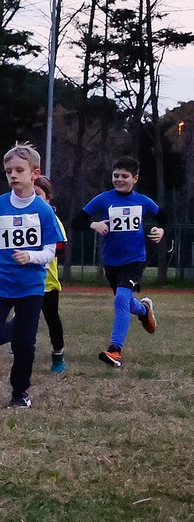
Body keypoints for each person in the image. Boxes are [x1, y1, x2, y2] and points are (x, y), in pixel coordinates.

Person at [0, 144, 62, 408]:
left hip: (31, 287)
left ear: (34, 173)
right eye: (9, 171)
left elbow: (51, 251)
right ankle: (20, 326)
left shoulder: (44, 211)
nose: (13, 175)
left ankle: (19, 393)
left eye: (19, 170)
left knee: (24, 346)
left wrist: (30, 257)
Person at [80, 155, 166, 368]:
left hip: (135, 260)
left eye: (124, 176)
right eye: (116, 175)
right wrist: (95, 225)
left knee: (120, 300)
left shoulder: (143, 201)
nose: (119, 179)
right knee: (125, 302)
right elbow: (77, 221)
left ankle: (115, 350)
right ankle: (144, 311)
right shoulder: (103, 199)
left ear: (135, 178)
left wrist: (160, 229)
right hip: (111, 262)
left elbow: (162, 216)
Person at [34, 176, 69, 374]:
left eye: (39, 194)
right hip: (25, 281)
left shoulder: (52, 220)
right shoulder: (21, 217)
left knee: (51, 318)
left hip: (48, 282)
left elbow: (60, 248)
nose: (35, 198)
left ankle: (58, 352)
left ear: (48, 198)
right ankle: (22, 347)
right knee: (24, 316)